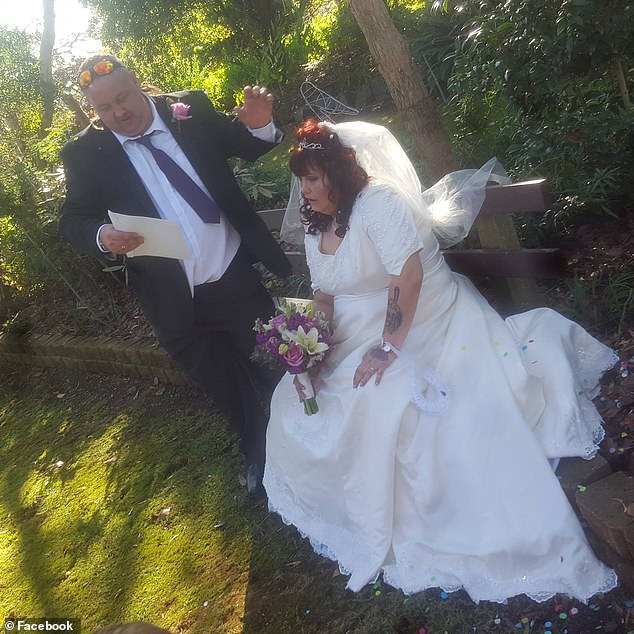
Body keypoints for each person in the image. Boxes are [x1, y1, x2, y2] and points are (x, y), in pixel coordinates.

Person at [262, 118, 618, 603]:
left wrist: (388, 348)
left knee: (378, 397)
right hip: (352, 324)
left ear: (339, 174)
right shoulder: (318, 220)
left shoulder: (378, 204)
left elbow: (408, 278)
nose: (303, 190)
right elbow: (323, 293)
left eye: (311, 178)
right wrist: (312, 346)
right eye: (300, 180)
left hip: (422, 314)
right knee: (301, 393)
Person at [59, 54, 292, 498]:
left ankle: (308, 444)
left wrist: (260, 126)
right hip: (170, 303)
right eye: (104, 109)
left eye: (123, 99)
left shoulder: (189, 111)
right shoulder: (85, 153)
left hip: (233, 280)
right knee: (228, 393)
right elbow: (72, 219)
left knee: (276, 370)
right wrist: (101, 234)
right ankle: (258, 455)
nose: (118, 113)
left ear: (138, 82)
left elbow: (246, 143)